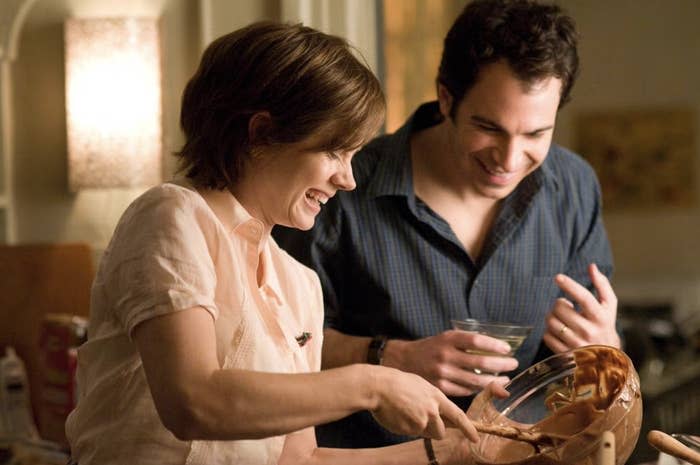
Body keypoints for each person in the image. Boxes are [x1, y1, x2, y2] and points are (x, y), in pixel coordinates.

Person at [64, 21, 485, 465]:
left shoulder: (299, 283)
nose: (348, 179)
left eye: (353, 156)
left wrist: (454, 450)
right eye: (334, 152)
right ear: (261, 133)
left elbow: (302, 460)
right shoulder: (172, 216)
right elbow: (192, 401)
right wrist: (373, 384)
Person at [273, 0, 621, 449]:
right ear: (445, 98)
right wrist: (387, 356)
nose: (510, 160)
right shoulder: (343, 189)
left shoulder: (574, 188)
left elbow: (588, 373)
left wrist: (607, 347)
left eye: (536, 135)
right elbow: (278, 346)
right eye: (489, 127)